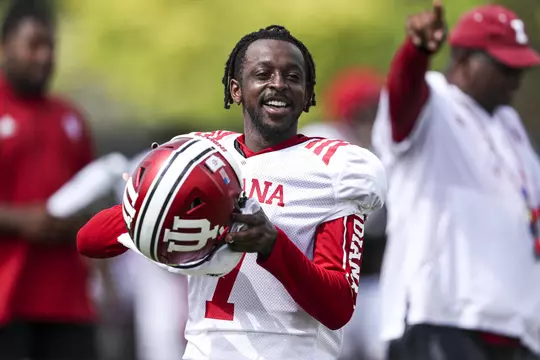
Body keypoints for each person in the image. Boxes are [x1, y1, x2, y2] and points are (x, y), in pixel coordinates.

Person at [77, 25, 387, 360]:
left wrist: (272, 245)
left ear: (308, 91)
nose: (278, 84)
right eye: (263, 73)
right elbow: (90, 240)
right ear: (236, 89)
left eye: (293, 76)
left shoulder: (334, 167)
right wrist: (160, 202)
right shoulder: (203, 159)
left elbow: (338, 306)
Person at [372, 2, 540, 360]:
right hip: (439, 316)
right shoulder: (434, 100)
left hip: (515, 326)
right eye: (504, 66)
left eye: (519, 67)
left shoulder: (509, 124)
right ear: (463, 59)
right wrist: (415, 55)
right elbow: (403, 101)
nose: (515, 78)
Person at [0, 1, 97, 359]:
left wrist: (76, 222)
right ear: (5, 46)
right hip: (7, 298)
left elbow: (95, 200)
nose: (44, 56)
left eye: (50, 46)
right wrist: (23, 219)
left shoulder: (71, 119)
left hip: (68, 301)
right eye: (34, 45)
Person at [301, 67, 386, 360]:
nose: (374, 118)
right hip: (320, 269)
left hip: (368, 276)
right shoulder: (320, 142)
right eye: (367, 111)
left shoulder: (382, 149)